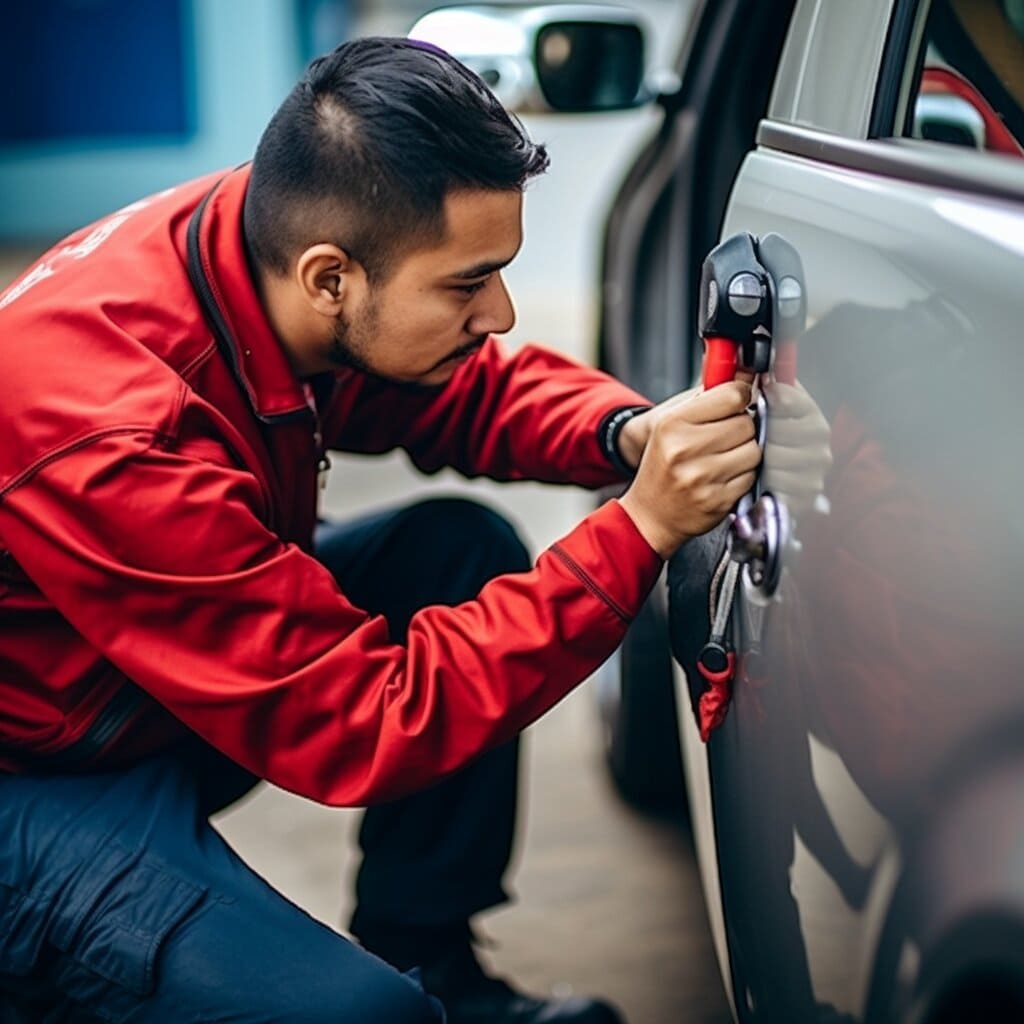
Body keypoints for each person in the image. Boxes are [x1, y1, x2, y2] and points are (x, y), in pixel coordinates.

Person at [0, 37, 759, 1024]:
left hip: (126, 688)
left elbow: (447, 390)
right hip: (34, 782)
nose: (500, 310)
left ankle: (434, 957)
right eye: (466, 282)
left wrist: (622, 430)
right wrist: (639, 528)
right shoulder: (110, 432)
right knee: (364, 1017)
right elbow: (367, 718)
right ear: (329, 279)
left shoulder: (262, 238)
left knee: (457, 549)